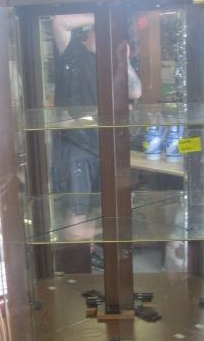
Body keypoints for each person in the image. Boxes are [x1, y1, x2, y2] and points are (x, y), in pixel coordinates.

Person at [51, 13, 141, 251]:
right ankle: (79, 259)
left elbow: (135, 92)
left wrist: (124, 59)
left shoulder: (113, 63)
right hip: (75, 147)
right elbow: (59, 22)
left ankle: (92, 253)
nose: (102, 39)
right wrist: (101, 16)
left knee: (101, 207)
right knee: (77, 213)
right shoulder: (73, 51)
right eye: (98, 31)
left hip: (104, 146)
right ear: (91, 29)